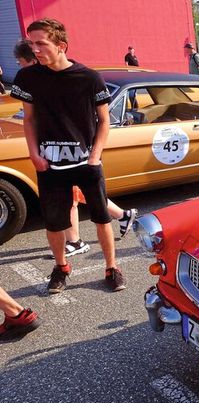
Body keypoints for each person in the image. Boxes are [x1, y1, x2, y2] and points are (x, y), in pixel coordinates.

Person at [11, 18, 126, 293]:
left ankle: (112, 267)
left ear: (61, 46)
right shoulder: (28, 77)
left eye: (41, 43)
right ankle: (61, 267)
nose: (35, 50)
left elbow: (104, 121)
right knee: (54, 223)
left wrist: (95, 155)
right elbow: (29, 120)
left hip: (87, 161)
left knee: (101, 218)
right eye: (31, 44)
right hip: (49, 163)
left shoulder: (88, 78)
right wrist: (34, 154)